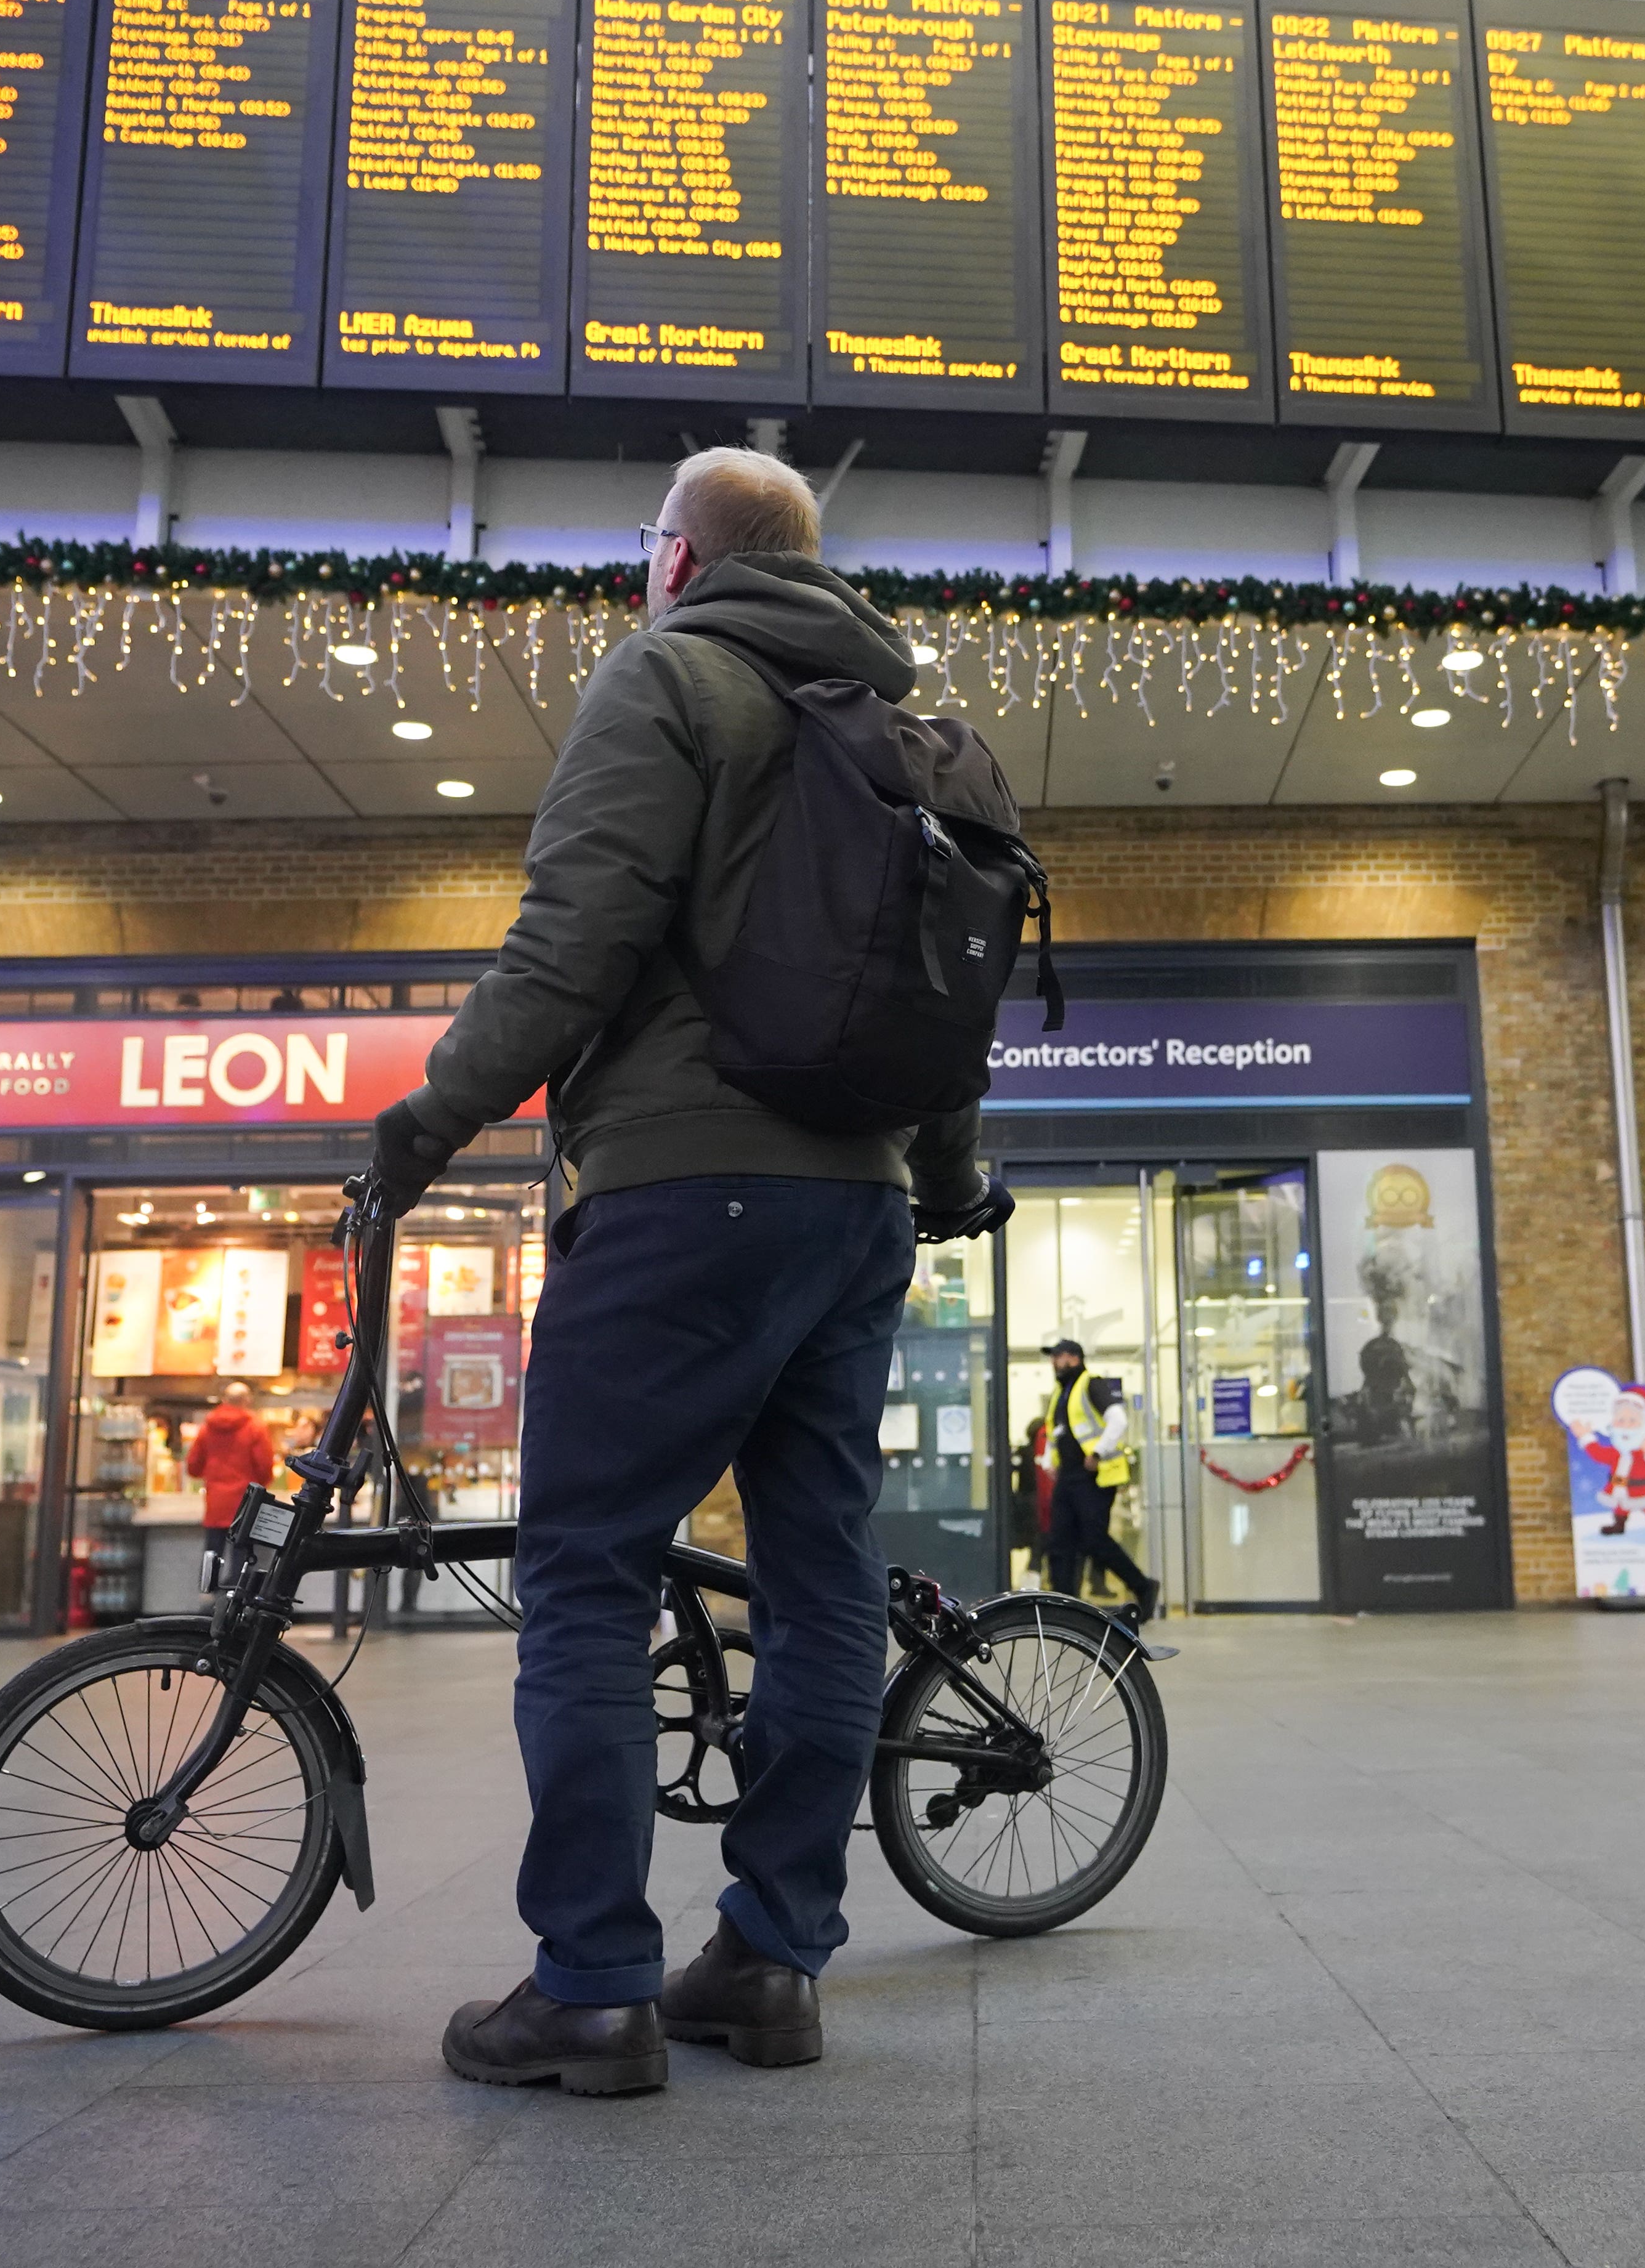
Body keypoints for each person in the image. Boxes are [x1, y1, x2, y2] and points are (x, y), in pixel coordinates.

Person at [366, 446, 1010, 2098]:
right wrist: (940, 1187)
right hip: (858, 1210)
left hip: (677, 1193)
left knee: (586, 1567)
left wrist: (425, 1123)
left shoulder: (666, 676)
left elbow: (568, 946)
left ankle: (589, 1980)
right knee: (818, 1579)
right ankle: (775, 1956)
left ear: (678, 558)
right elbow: (944, 1012)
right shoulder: (911, 733)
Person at [1041, 1337, 1159, 1623]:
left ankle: (1143, 1587)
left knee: (1093, 1540)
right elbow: (1057, 1432)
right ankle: (1064, 1605)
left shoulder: (1090, 1384)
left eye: (1058, 1357)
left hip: (1092, 1477)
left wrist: (1097, 1451)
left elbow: (1118, 1419)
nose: (1054, 1363)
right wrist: (1049, 1461)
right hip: (1069, 1477)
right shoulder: (1061, 1393)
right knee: (1060, 1541)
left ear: (1073, 1358)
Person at [182, 1385, 275, 1566]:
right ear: (247, 1400)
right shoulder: (255, 1428)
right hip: (245, 1501)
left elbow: (193, 1466)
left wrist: (212, 1476)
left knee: (213, 1554)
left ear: (224, 1400)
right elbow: (265, 1466)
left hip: (216, 1500)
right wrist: (260, 1487)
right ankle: (236, 1591)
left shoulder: (207, 1428)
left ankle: (208, 1592)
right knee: (241, 1558)